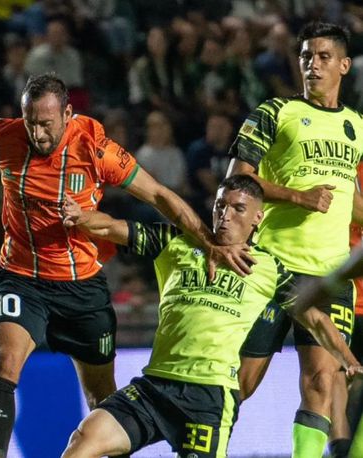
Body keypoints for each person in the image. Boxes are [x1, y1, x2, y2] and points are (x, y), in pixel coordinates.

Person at [0, 73, 255, 457]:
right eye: (31, 123)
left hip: (82, 286)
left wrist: (207, 241)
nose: (38, 134)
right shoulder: (0, 137)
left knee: (102, 401)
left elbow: (158, 194)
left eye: (46, 124)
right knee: (5, 361)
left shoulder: (96, 150)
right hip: (21, 277)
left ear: (68, 114)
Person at [59, 174, 363, 458]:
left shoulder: (270, 269)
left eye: (238, 208)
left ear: (257, 218)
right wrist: (80, 215)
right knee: (84, 438)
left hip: (209, 400)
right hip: (154, 388)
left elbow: (316, 320)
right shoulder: (177, 243)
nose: (226, 215)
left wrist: (349, 361)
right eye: (220, 206)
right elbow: (112, 227)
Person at [226, 22, 363, 458]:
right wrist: (298, 196)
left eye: (323, 57)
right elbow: (237, 181)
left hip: (329, 276)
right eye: (306, 56)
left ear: (344, 65)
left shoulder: (356, 125)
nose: (312, 65)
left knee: (322, 382)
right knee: (240, 383)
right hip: (270, 268)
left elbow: (350, 199)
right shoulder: (275, 112)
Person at [292, 244, 363, 458]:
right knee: (331, 378)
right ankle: (340, 451)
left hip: (334, 285)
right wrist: (326, 285)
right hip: (347, 297)